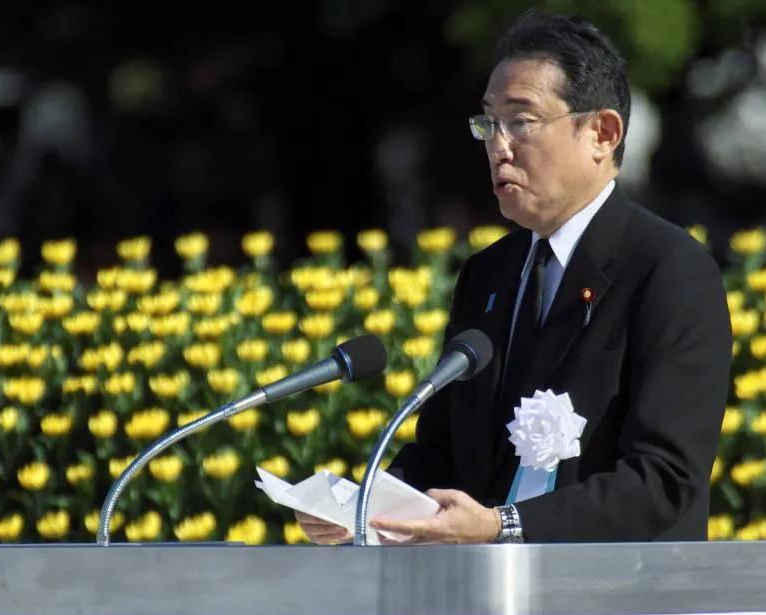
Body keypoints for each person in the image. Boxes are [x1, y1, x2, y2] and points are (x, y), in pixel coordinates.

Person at [300, 11, 732, 545]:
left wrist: (504, 526)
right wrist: (365, 505)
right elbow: (443, 452)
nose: (498, 146)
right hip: (490, 601)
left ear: (602, 133)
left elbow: (663, 481)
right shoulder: (488, 274)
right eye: (488, 123)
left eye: (521, 122)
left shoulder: (670, 271)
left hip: (617, 603)